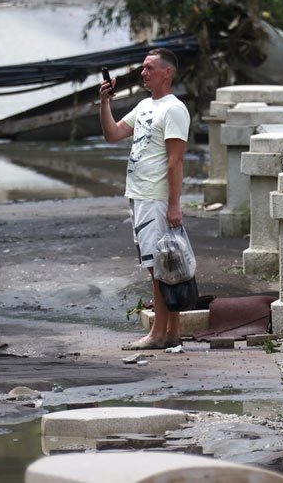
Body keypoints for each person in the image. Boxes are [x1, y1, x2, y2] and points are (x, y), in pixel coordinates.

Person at [99, 48, 190, 350]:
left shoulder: (174, 109)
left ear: (167, 72)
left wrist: (174, 204)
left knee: (159, 267)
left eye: (149, 68)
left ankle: (157, 333)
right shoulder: (143, 106)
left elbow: (175, 161)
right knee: (165, 263)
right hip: (140, 195)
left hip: (156, 197)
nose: (143, 73)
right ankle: (172, 333)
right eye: (143, 68)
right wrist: (105, 102)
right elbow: (113, 134)